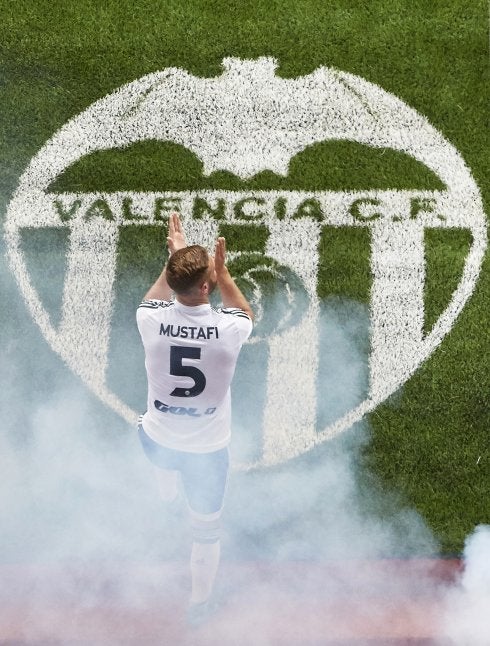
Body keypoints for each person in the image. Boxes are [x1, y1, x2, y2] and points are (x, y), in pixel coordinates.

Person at [136, 213, 253, 625]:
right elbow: (245, 311)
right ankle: (199, 606)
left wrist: (176, 258)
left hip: (158, 442)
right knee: (206, 533)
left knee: (146, 425)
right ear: (206, 287)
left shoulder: (149, 320)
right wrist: (223, 274)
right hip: (206, 454)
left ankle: (168, 498)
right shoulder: (228, 330)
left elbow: (154, 297)